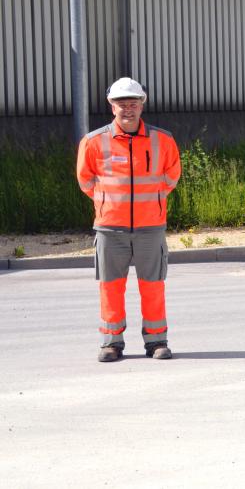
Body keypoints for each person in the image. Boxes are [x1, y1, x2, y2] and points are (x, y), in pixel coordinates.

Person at [75, 78, 181, 362]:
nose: (128, 109)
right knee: (110, 286)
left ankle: (157, 341)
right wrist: (109, 203)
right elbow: (86, 181)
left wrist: (154, 198)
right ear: (112, 107)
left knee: (153, 285)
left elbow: (171, 176)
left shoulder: (163, 140)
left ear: (142, 105)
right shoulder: (94, 142)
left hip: (150, 227)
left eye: (133, 103)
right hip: (110, 228)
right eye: (122, 104)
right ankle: (111, 343)